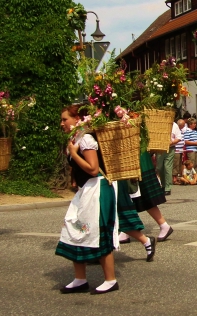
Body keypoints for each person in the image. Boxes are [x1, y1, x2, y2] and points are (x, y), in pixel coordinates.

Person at [56, 105, 118, 294]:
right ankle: (80, 279)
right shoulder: (76, 139)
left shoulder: (86, 139)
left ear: (76, 119)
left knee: (98, 232)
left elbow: (93, 168)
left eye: (65, 119)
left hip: (98, 188)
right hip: (87, 189)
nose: (62, 123)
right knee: (75, 228)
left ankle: (110, 279)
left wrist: (74, 154)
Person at [157, 118, 182, 196]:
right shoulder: (159, 123)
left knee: (167, 167)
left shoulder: (174, 125)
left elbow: (179, 138)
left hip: (170, 148)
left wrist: (172, 142)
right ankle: (163, 185)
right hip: (160, 148)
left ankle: (167, 188)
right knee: (159, 167)